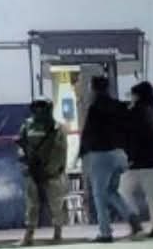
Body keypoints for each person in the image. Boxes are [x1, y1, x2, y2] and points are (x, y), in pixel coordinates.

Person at [79, 76, 143, 243]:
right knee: (111, 191)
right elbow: (130, 130)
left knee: (99, 195)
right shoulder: (119, 106)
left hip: (101, 155)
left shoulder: (94, 107)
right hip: (120, 155)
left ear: (93, 88)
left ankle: (105, 232)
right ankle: (132, 217)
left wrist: (81, 154)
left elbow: (88, 134)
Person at [16, 97, 68, 247]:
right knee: (32, 204)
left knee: (56, 204)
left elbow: (61, 151)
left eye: (42, 106)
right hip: (32, 171)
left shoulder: (57, 127)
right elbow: (21, 145)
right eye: (36, 106)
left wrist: (53, 169)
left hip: (52, 173)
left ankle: (58, 233)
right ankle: (29, 235)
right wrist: (24, 162)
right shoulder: (27, 125)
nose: (39, 109)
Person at [118, 82, 153, 240]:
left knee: (124, 191)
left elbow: (129, 137)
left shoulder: (134, 111)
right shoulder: (152, 110)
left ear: (137, 95)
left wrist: (129, 156)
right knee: (152, 194)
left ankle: (136, 223)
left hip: (135, 160)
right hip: (152, 158)